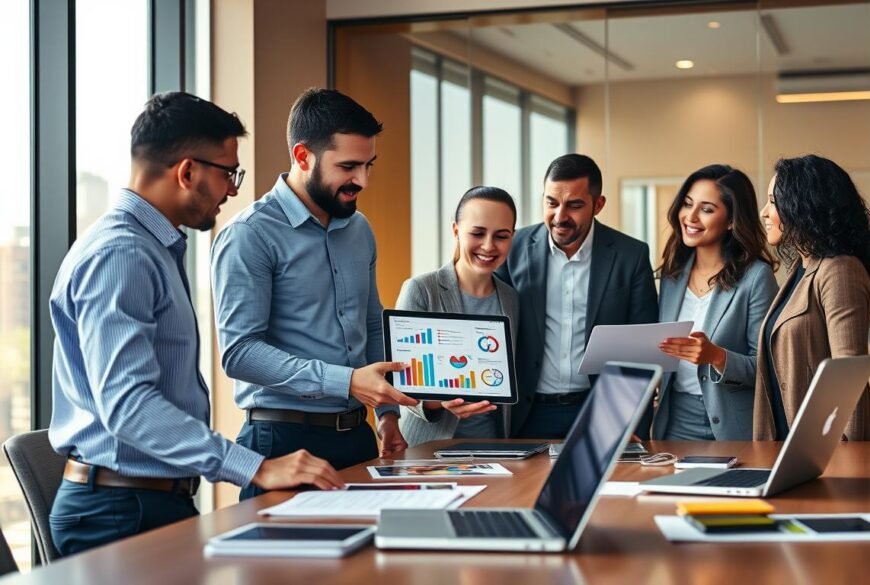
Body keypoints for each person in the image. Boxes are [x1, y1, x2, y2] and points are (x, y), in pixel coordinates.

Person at [47, 92, 343, 556]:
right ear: (187, 172)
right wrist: (255, 467)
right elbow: (128, 405)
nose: (232, 188)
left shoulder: (150, 248)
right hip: (120, 512)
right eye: (228, 173)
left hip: (147, 501)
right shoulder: (121, 255)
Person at [211, 88, 417, 501]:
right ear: (303, 156)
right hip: (281, 442)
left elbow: (372, 326)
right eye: (349, 166)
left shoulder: (360, 230)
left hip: (357, 438)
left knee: (367, 564)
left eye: (368, 165)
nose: (362, 180)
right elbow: (240, 353)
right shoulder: (250, 235)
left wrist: (387, 415)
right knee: (281, 568)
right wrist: (347, 382)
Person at [497, 154, 658, 439]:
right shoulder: (513, 247)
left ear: (598, 205)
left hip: (601, 409)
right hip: (527, 412)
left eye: (574, 205)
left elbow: (641, 348)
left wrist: (629, 417)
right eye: (551, 203)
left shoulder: (630, 255)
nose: (560, 216)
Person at [755, 154, 870, 441]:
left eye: (773, 201)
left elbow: (847, 379)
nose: (764, 212)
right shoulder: (801, 269)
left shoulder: (839, 270)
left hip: (827, 455)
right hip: (789, 450)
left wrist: (848, 468)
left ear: (803, 206)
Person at [652, 165, 778, 441]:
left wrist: (716, 356)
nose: (691, 217)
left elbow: (769, 368)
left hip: (732, 428)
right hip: (673, 424)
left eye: (707, 209)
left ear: (731, 220)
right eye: (687, 204)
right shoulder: (672, 275)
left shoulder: (756, 278)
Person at [397, 187, 520, 446]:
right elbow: (400, 382)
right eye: (477, 233)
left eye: (501, 236)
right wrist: (440, 400)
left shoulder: (511, 299)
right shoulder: (421, 290)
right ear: (455, 231)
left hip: (494, 449)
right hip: (430, 448)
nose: (488, 246)